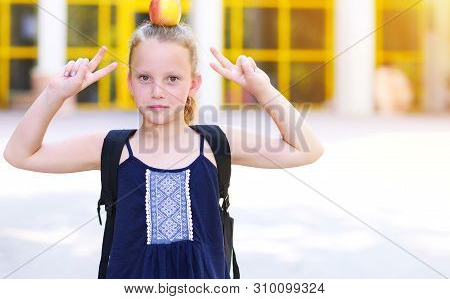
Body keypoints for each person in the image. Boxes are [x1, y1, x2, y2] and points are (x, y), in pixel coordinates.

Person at [3, 20, 324, 278]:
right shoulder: (113, 148)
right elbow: (20, 154)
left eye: (172, 78)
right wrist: (54, 95)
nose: (157, 91)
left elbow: (307, 149)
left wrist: (262, 90)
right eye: (145, 77)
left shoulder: (215, 144)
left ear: (193, 84)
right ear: (129, 82)